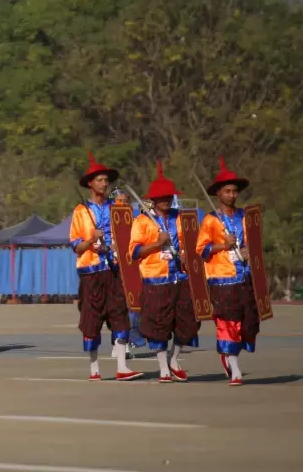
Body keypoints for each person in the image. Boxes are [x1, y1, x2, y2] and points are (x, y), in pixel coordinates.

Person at [69, 152, 139, 381]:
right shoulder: (81, 212)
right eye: (100, 180)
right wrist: (91, 240)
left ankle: (122, 366)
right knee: (92, 317)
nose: (104, 184)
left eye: (106, 180)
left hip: (114, 269)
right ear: (90, 184)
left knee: (120, 315)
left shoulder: (116, 208)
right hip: (91, 271)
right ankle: (94, 368)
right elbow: (76, 246)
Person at [129, 162, 200, 383]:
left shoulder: (183, 218)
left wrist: (190, 254)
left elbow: (195, 244)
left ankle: (174, 357)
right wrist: (158, 244)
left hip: (181, 276)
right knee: (158, 325)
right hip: (155, 278)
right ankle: (163, 368)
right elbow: (134, 252)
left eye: (169, 197)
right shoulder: (142, 221)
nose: (166, 201)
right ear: (153, 199)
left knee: (188, 320)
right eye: (161, 198)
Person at [196, 156, 259, 386]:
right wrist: (223, 244)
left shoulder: (244, 216)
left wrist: (248, 250)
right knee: (227, 322)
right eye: (227, 191)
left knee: (248, 322)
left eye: (234, 191)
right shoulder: (211, 221)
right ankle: (234, 366)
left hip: (244, 275)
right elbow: (201, 250)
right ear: (219, 194)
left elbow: (254, 243)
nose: (232, 195)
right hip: (221, 279)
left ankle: (230, 354)